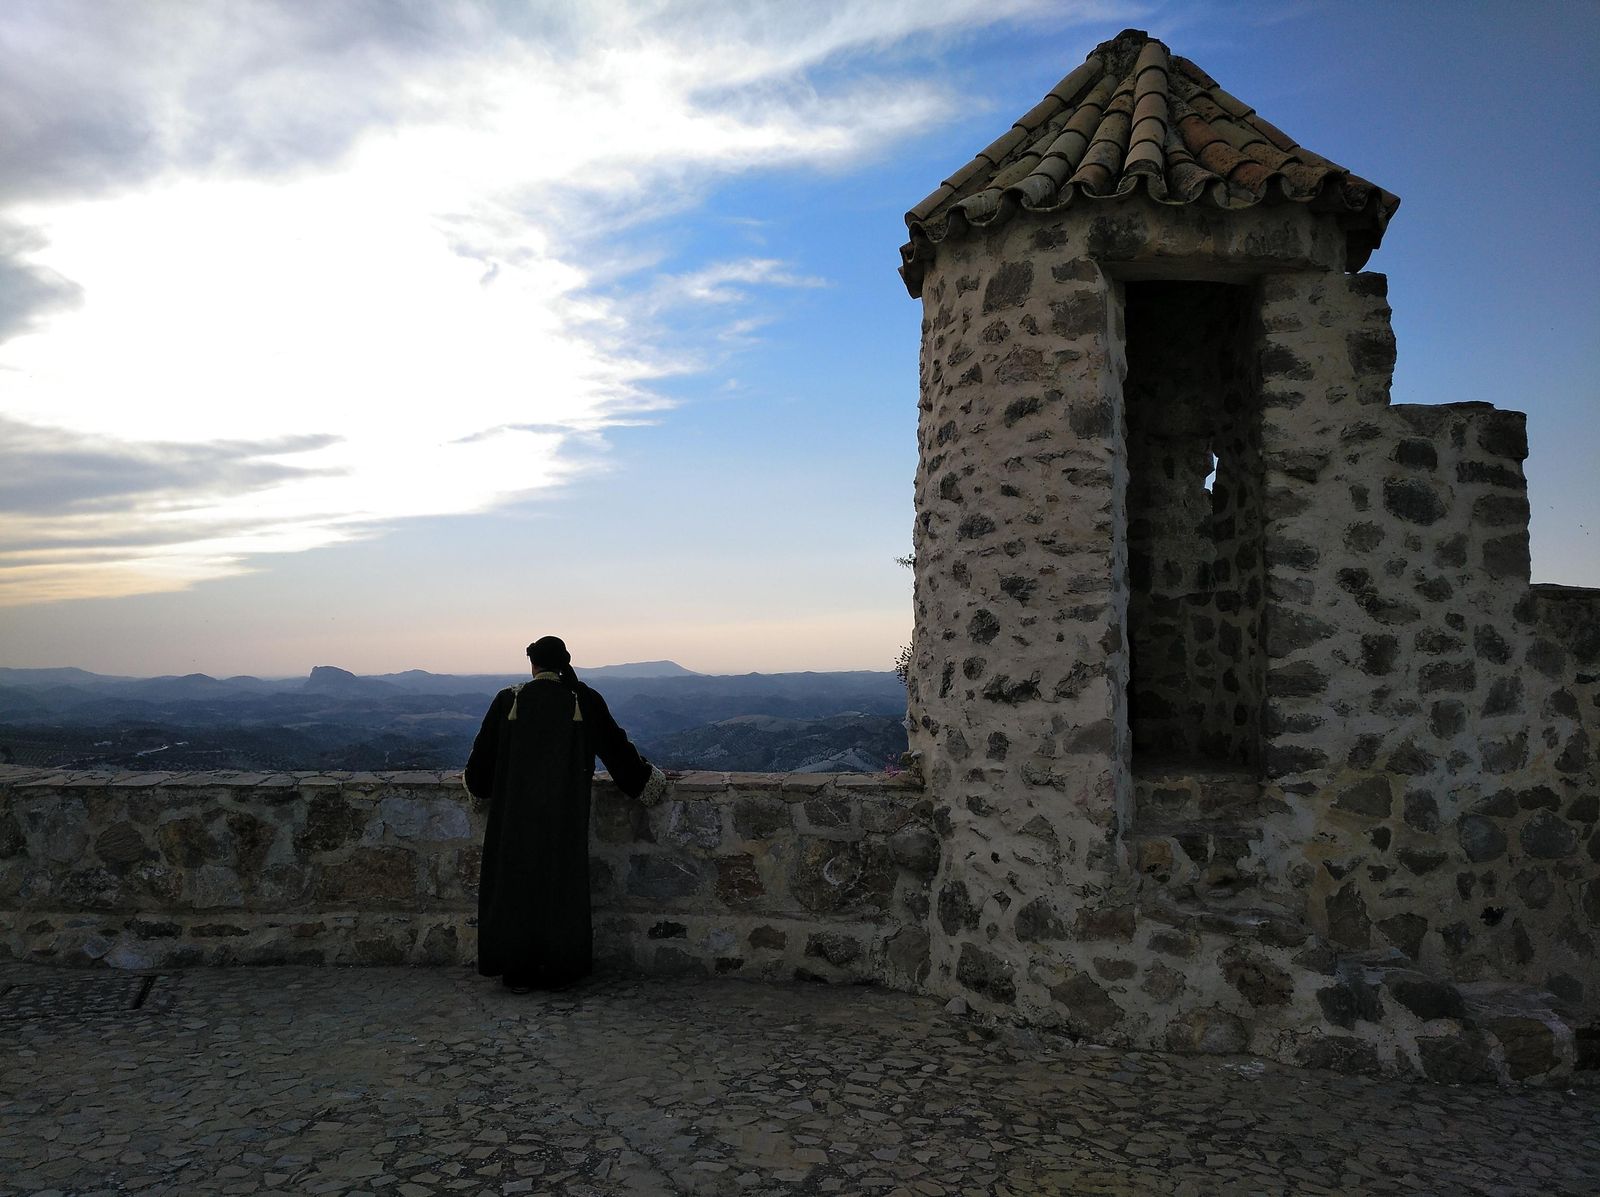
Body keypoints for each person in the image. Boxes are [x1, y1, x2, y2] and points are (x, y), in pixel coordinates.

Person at [464, 636, 666, 992]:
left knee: (516, 886)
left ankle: (517, 969)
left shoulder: (508, 700)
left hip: (514, 820)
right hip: (563, 818)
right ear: (564, 663)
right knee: (560, 886)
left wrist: (478, 789)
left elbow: (480, 767)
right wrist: (649, 782)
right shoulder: (582, 700)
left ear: (533, 665)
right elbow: (617, 752)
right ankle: (559, 967)